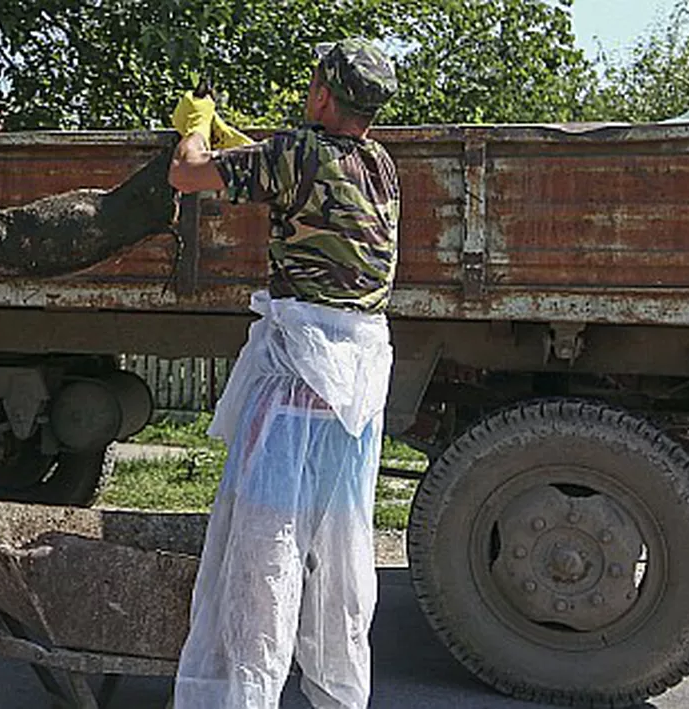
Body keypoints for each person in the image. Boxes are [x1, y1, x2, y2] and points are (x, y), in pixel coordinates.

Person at [167, 37, 400, 709]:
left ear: (323, 94)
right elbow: (291, 169)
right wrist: (241, 143)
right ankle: (339, 696)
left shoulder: (295, 154)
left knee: (261, 560)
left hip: (297, 380)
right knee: (339, 564)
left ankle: (242, 697)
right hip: (356, 390)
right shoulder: (380, 165)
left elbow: (190, 176)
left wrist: (195, 130)